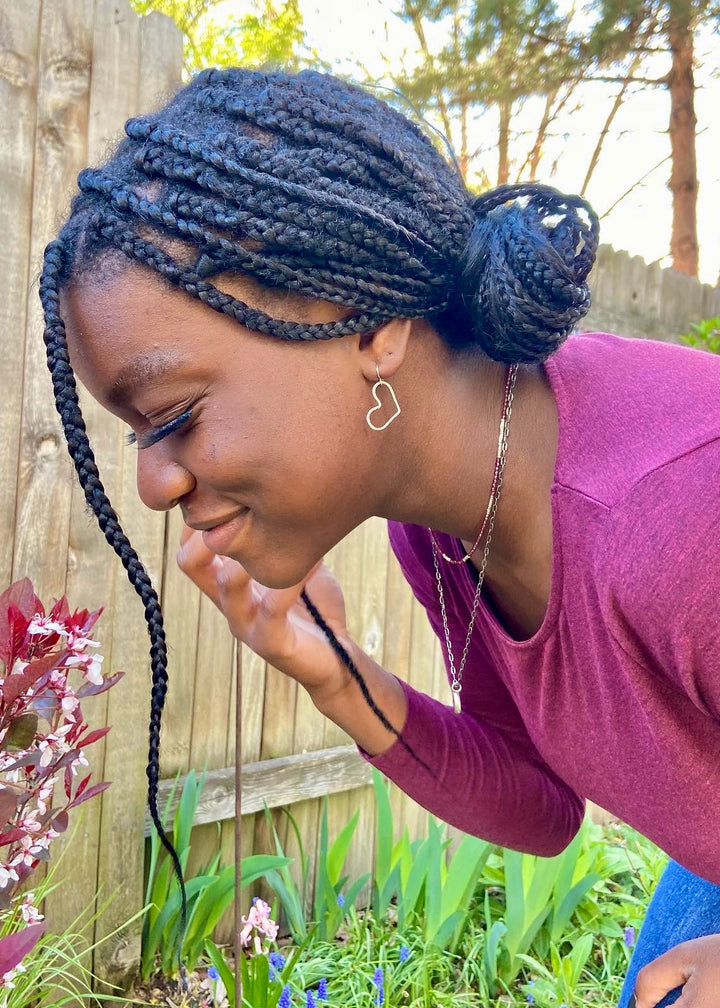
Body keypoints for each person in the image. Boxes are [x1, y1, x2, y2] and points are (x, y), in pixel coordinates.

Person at [39, 67, 720, 1007]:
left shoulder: (684, 520)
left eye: (174, 415)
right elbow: (544, 804)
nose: (155, 485)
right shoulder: (439, 528)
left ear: (366, 323)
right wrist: (338, 673)